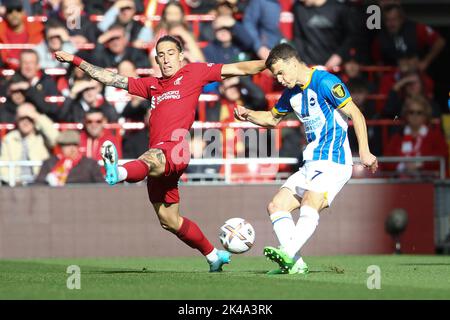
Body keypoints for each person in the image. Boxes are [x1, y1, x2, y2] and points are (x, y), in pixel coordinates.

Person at [54, 35, 266, 272]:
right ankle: (213, 255)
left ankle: (119, 171)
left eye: (170, 53)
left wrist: (270, 63)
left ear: (181, 55)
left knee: (151, 156)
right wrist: (76, 60)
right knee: (169, 220)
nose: (165, 59)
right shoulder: (151, 85)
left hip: (175, 149)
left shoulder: (194, 72)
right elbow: (110, 78)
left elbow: (238, 67)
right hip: (159, 161)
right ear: (156, 59)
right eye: (161, 55)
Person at [234, 43, 378, 274]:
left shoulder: (325, 82)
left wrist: (364, 151)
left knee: (311, 200)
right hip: (311, 162)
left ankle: (288, 253)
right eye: (275, 75)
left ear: (293, 62)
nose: (279, 79)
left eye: (281, 72)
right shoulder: (291, 94)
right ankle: (296, 264)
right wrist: (248, 114)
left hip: (334, 160)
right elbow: (272, 119)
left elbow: (356, 114)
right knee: (276, 206)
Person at [384, 96, 448, 178]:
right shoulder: (398, 137)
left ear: (425, 115)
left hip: (429, 184)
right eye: (411, 112)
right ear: (406, 115)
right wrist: (403, 166)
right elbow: (387, 160)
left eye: (419, 112)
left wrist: (418, 164)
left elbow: (443, 157)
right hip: (401, 184)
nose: (415, 116)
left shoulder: (435, 136)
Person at [0, 103, 58, 185]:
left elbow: (56, 138)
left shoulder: (42, 137)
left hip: (40, 182)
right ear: (17, 120)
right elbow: (3, 165)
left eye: (29, 119)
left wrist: (36, 115)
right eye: (22, 119)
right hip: (15, 184)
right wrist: (12, 181)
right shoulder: (9, 139)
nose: (25, 122)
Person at [35, 130, 104, 186]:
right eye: (67, 145)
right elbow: (39, 185)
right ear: (60, 147)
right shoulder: (50, 163)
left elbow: (101, 186)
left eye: (74, 145)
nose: (72, 149)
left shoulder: (90, 164)